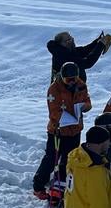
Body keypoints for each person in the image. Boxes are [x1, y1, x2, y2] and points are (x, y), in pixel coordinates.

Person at [33, 60, 92, 200]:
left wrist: (86, 106)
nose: (72, 82)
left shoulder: (80, 85)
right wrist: (66, 119)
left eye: (74, 79)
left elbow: (87, 100)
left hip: (75, 130)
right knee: (51, 158)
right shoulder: (54, 89)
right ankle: (38, 185)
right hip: (58, 131)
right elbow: (53, 111)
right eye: (68, 79)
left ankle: (61, 185)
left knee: (68, 159)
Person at [46, 29, 111, 82]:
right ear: (62, 44)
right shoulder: (63, 55)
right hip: (66, 92)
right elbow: (87, 63)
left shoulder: (66, 51)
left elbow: (84, 50)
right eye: (68, 39)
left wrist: (97, 42)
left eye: (71, 37)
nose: (72, 40)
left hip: (74, 89)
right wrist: (101, 45)